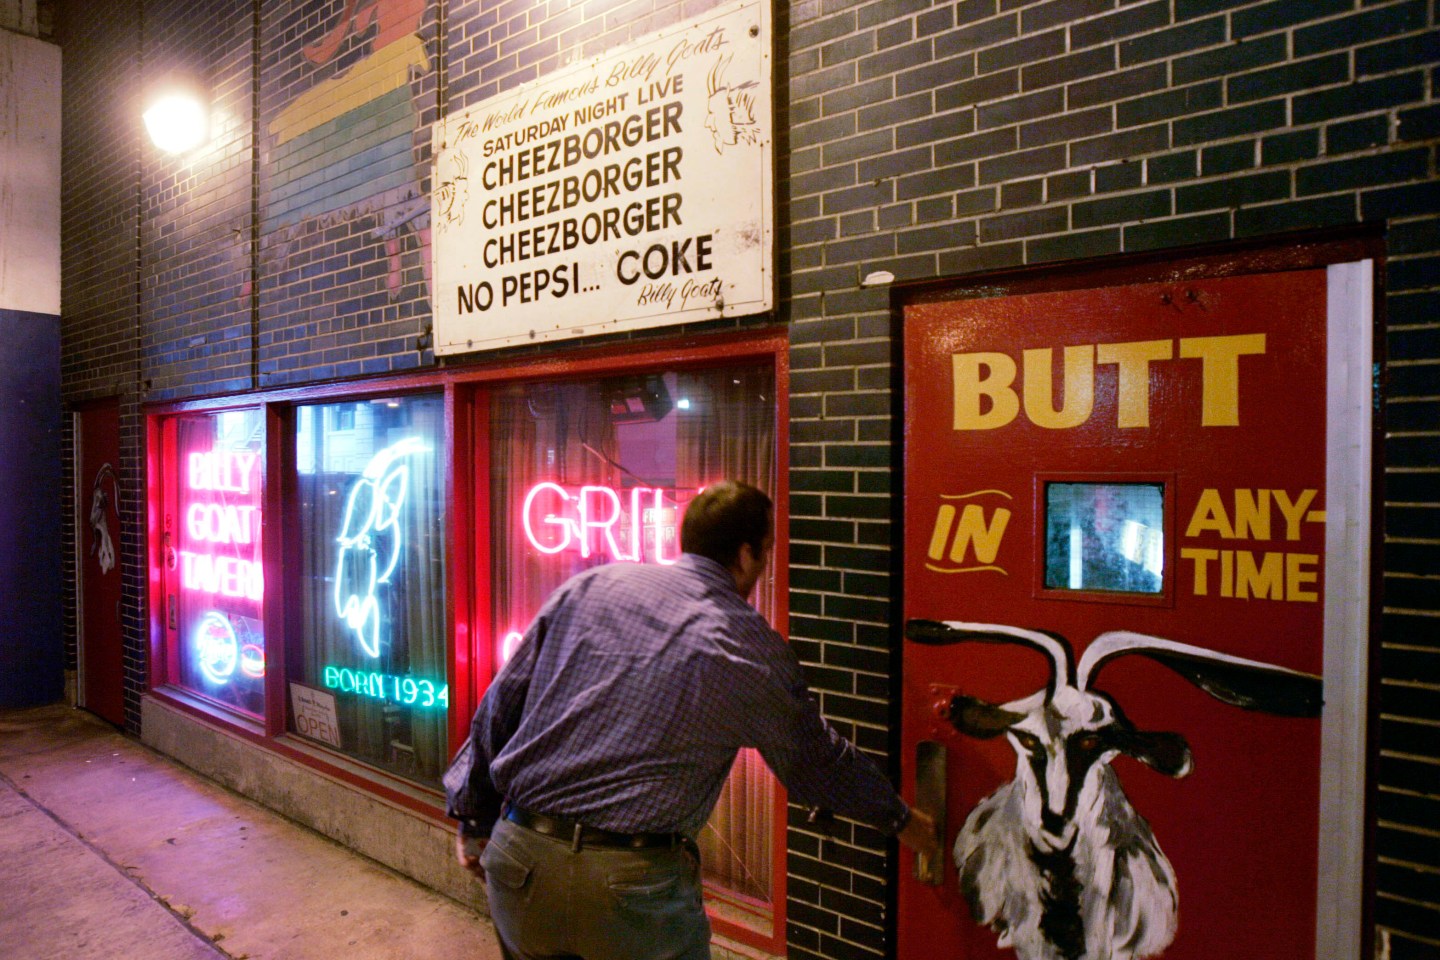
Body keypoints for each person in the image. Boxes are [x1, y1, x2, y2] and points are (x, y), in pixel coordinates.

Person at [450, 480, 940, 960]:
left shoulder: (590, 587)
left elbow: (499, 707)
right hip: (632, 890)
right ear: (748, 554)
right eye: (767, 551)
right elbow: (818, 765)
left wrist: (473, 819)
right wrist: (901, 820)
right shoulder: (748, 649)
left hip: (520, 860)